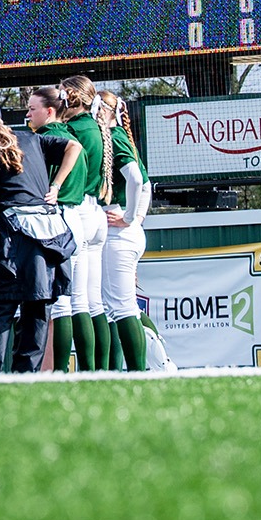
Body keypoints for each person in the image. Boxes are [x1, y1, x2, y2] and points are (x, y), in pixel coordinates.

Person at [0, 95, 81, 374]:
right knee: (38, 310)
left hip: (12, 235)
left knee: (1, 312)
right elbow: (74, 146)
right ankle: (26, 377)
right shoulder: (31, 139)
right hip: (48, 235)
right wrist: (56, 185)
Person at [34, 82, 105, 371]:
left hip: (63, 214)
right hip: (84, 213)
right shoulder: (79, 130)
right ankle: (92, 371)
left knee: (64, 304)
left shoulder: (52, 135)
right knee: (85, 302)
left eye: (31, 109)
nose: (28, 114)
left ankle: (61, 372)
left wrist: (55, 185)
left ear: (50, 110)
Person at [97, 91, 152, 370]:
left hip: (116, 228)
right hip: (123, 229)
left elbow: (136, 178)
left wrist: (130, 217)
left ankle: (138, 372)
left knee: (120, 306)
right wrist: (136, 218)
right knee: (114, 306)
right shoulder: (118, 137)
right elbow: (146, 184)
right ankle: (118, 374)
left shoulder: (114, 136)